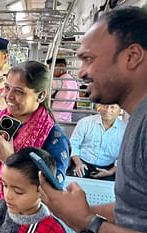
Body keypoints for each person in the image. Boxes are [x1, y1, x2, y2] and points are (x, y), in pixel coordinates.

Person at [39, 6, 147, 233]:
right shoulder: (136, 120)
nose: (81, 72)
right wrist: (82, 210)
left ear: (132, 56)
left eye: (89, 59)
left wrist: (86, 223)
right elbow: (136, 209)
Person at [0, 61, 70, 233]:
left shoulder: (54, 138)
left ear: (41, 95)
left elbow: (51, 193)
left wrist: (9, 158)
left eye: (19, 91)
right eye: (7, 88)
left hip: (22, 222)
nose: (9, 96)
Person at [0, 147, 65, 233]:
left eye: (18, 192)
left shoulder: (52, 229)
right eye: (4, 185)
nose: (7, 195)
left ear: (42, 190)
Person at [69, 104, 126, 181]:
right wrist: (78, 163)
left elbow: (123, 156)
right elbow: (73, 144)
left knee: (110, 189)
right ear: (100, 107)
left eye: (113, 107)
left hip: (108, 167)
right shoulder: (85, 122)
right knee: (74, 182)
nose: (108, 110)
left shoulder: (125, 129)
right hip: (83, 162)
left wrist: (110, 172)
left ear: (120, 110)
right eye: (105, 106)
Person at [46, 58, 79, 122]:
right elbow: (75, 104)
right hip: (67, 120)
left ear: (61, 67)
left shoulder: (56, 81)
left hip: (53, 119)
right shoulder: (75, 82)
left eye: (52, 68)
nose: (50, 71)